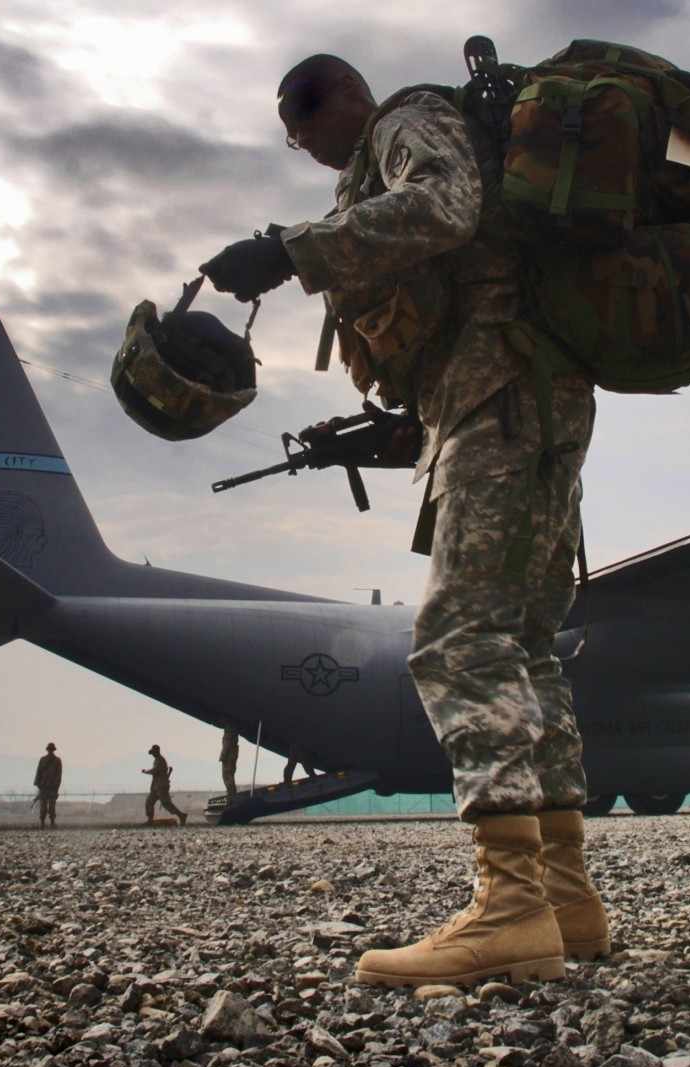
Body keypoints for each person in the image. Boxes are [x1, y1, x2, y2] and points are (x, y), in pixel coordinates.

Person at [200, 54, 608, 987]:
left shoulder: (407, 123)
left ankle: (510, 911)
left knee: (459, 642)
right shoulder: (373, 164)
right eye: (286, 124)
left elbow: (446, 208)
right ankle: (566, 899)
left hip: (501, 392)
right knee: (523, 648)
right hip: (515, 396)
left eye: (303, 107)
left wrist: (293, 250)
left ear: (348, 92)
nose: (297, 133)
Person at [142, 745, 186, 825]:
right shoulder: (157, 760)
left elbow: (155, 770)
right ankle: (150, 821)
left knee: (166, 803)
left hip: (161, 786)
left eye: (153, 752)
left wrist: (146, 771)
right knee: (149, 801)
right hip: (157, 786)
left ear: (157, 751)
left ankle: (181, 815)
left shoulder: (160, 761)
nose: (152, 754)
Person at [33, 742, 63, 828]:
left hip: (47, 787)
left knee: (47, 805)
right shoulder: (56, 760)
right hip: (49, 787)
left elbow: (39, 773)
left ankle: (46, 823)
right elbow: (58, 775)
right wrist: (56, 786)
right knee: (48, 805)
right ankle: (48, 823)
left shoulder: (51, 760)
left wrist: (39, 784)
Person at [219, 727, 239, 797]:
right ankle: (231, 791)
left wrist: (223, 755)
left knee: (227, 774)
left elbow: (227, 744)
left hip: (229, 756)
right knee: (230, 773)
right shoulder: (232, 730)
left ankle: (231, 791)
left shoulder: (229, 730)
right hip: (232, 755)